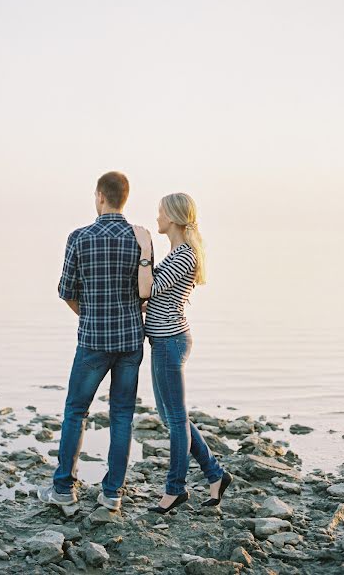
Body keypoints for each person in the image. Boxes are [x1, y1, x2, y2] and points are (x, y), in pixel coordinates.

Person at [38, 172, 145, 509]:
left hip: (93, 340)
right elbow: (145, 291)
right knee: (123, 415)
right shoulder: (141, 238)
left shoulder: (79, 237)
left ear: (100, 196)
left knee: (75, 411)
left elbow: (66, 291)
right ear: (124, 198)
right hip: (130, 340)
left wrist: (88, 315)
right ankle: (113, 493)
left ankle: (64, 490)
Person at [133, 193, 232, 514]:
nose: (157, 217)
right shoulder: (178, 252)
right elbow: (156, 296)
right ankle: (216, 475)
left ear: (173, 218)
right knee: (172, 417)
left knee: (176, 419)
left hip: (170, 341)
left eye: (160, 213)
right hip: (164, 340)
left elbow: (147, 289)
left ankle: (175, 489)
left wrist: (145, 250)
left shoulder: (184, 256)